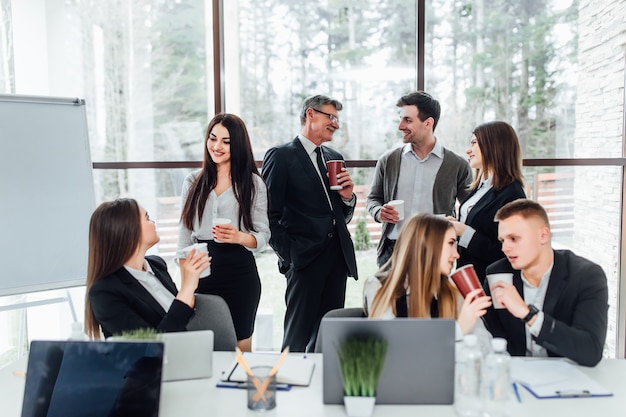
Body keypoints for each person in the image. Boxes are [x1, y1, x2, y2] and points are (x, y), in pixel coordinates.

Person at [262, 94, 358, 353]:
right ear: (311, 115)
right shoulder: (281, 156)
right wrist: (291, 256)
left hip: (337, 258)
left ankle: (322, 386)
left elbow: (341, 215)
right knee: (297, 335)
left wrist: (348, 199)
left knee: (329, 334)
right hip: (303, 260)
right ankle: (289, 382)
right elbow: (268, 215)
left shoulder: (333, 156)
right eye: (331, 117)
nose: (336, 124)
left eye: (337, 119)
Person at [178, 113, 269, 352]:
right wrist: (185, 279)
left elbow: (263, 236)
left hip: (239, 273)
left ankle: (242, 388)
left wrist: (239, 236)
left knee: (241, 347)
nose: (217, 146)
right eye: (212, 138)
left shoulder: (253, 184)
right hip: (201, 270)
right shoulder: (192, 181)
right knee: (203, 346)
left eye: (226, 141)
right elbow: (185, 232)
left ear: (237, 144)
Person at [483, 199, 608, 366]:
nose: (505, 248)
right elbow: (491, 336)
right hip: (516, 375)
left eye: (513, 239)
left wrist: (528, 315)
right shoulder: (498, 274)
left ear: (543, 235)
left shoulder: (586, 276)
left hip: (568, 377)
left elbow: (590, 351)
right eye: (502, 240)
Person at [366, 91, 472, 267]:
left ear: (428, 123)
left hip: (436, 250)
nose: (400, 126)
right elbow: (373, 199)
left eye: (408, 120)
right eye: (401, 119)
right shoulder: (388, 160)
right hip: (393, 251)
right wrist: (379, 212)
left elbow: (470, 209)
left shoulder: (457, 165)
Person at [85, 198, 210, 339]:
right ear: (129, 230)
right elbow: (150, 348)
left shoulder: (157, 265)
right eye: (147, 218)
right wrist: (186, 290)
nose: (153, 223)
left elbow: (182, 319)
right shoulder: (104, 292)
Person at [364, 213, 491, 340]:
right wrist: (458, 330)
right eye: (451, 243)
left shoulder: (451, 289)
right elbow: (393, 347)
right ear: (426, 246)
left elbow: (485, 342)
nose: (456, 254)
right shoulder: (380, 287)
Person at [447, 121, 526, 281]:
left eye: (474, 143)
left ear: (493, 146)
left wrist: (464, 231)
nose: (468, 150)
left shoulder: (512, 194)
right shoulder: (480, 187)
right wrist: (456, 224)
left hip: (488, 280)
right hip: (467, 274)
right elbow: (480, 225)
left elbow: (504, 250)